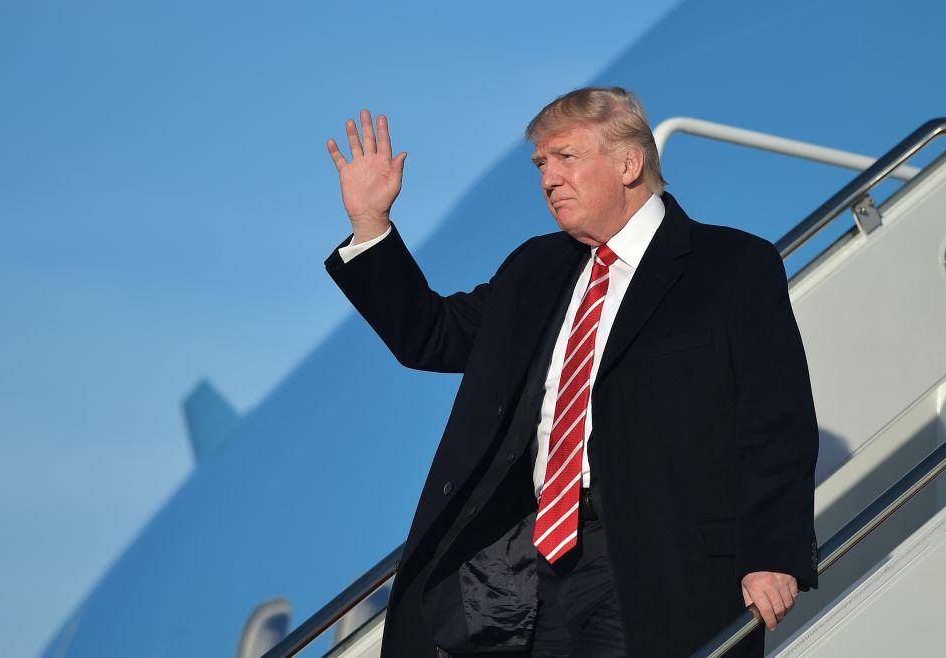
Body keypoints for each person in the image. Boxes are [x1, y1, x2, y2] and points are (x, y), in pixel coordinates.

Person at [323, 86, 819, 658]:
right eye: (541, 163)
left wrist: (772, 555)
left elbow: (776, 423)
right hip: (531, 572)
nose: (548, 179)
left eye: (566, 158)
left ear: (629, 163)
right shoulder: (536, 268)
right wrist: (370, 225)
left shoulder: (731, 265)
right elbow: (431, 336)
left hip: (655, 561)